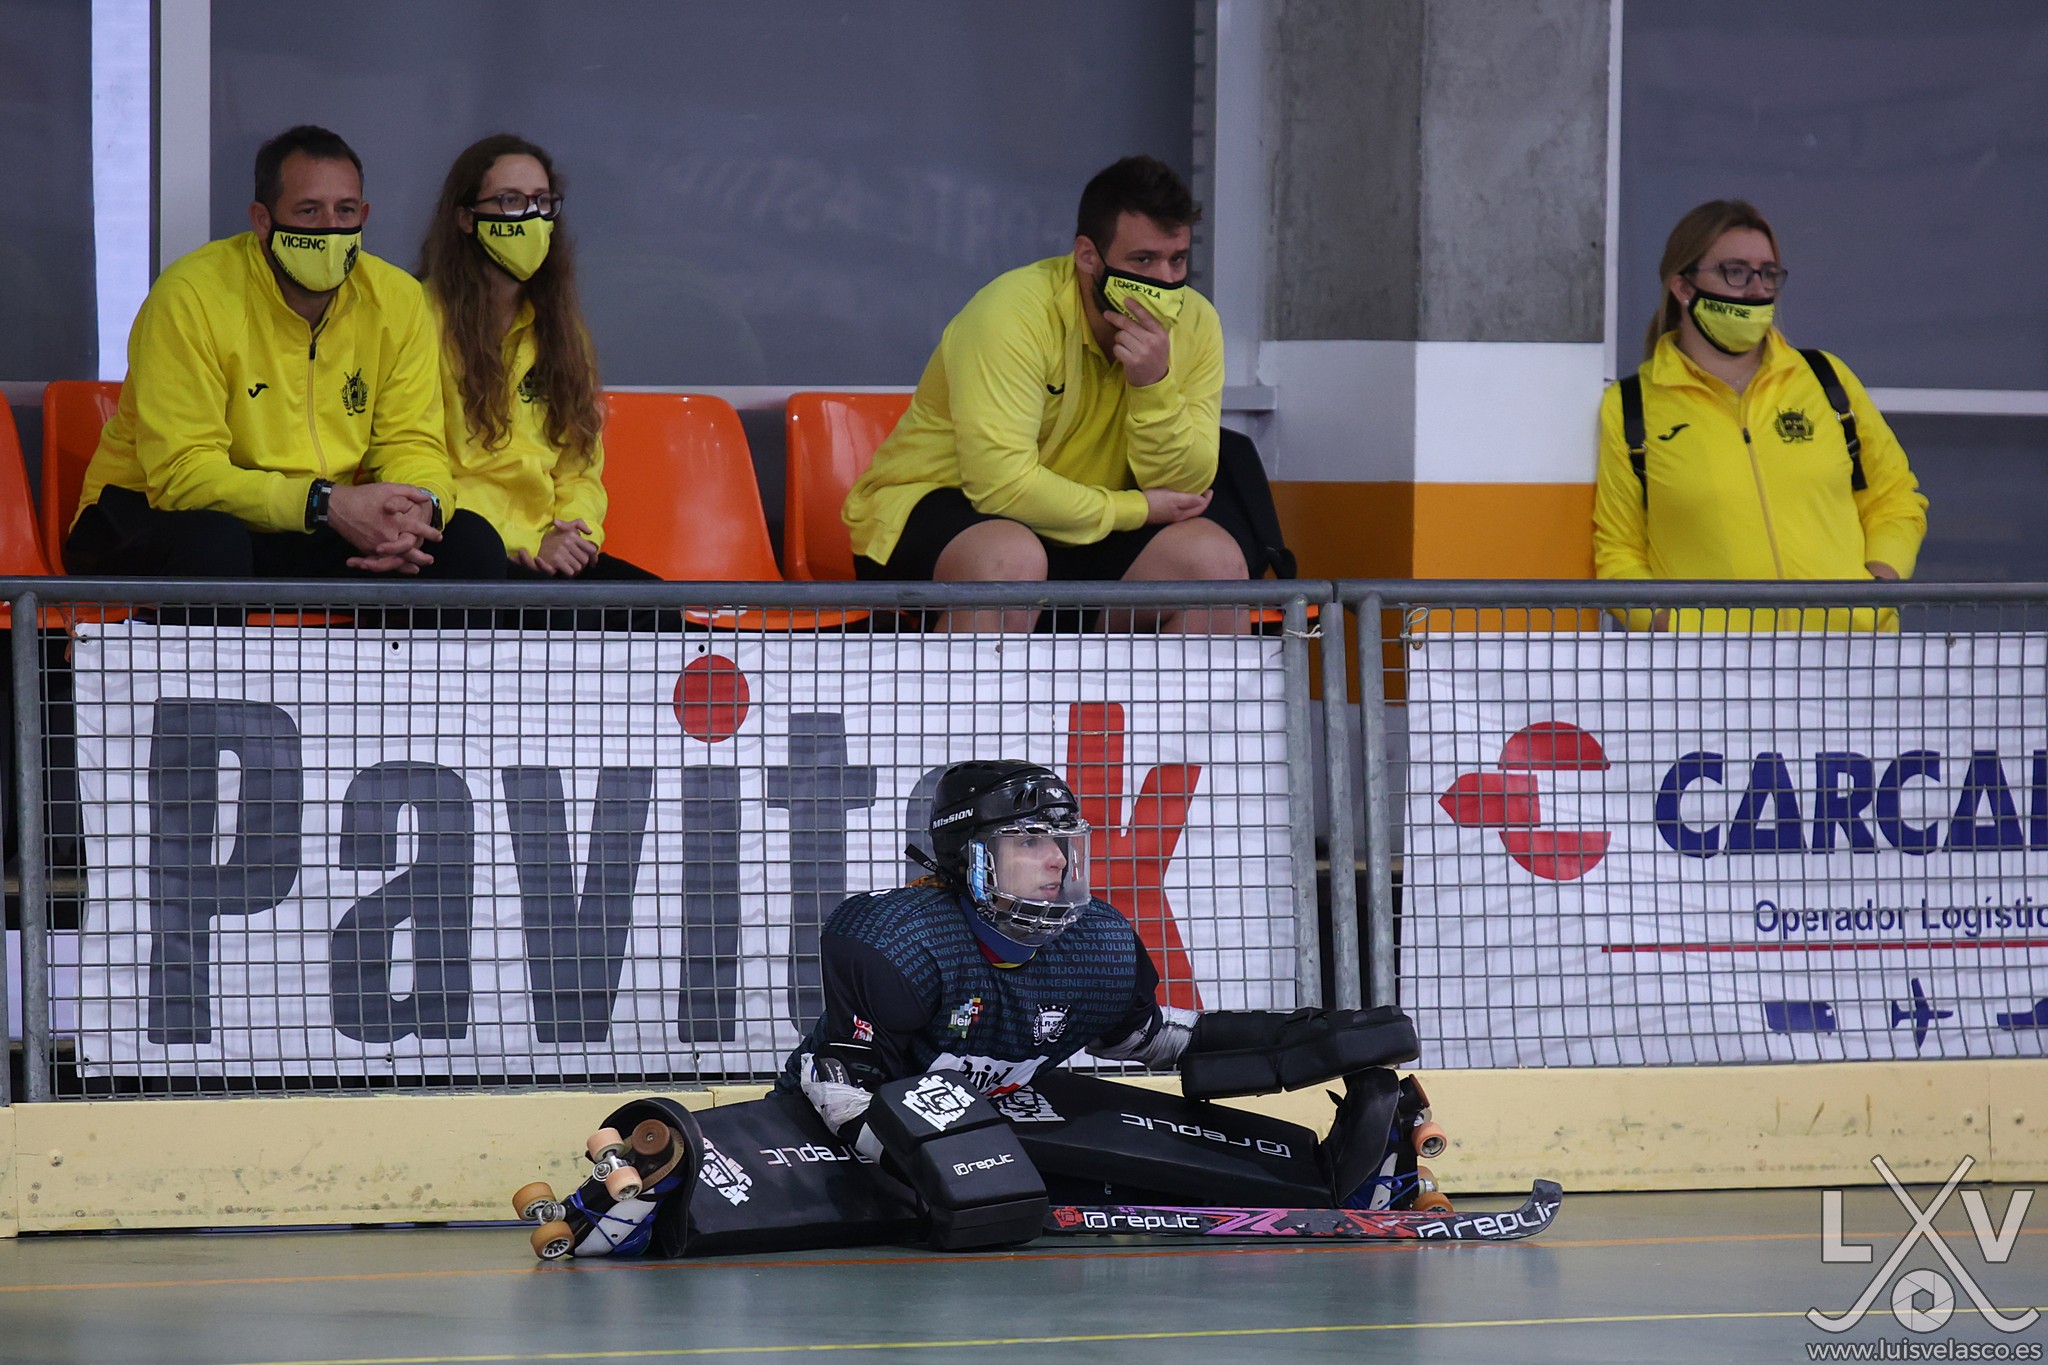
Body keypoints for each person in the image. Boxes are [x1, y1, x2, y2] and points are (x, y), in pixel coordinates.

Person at [506, 761, 1430, 1261]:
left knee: (1133, 1156)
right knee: (812, 1186)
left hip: (1015, 1112)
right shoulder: (895, 936)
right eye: (1029, 840)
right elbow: (838, 1073)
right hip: (862, 1118)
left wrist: (1296, 1041)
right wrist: (918, 1157)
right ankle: (630, 1200)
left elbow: (1153, 1040)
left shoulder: (1100, 942)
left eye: (1062, 841)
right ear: (970, 859)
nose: (1056, 860)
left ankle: (1348, 1177)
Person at [65, 125, 504, 581]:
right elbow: (182, 476)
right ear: (262, 219)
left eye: (345, 210)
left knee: (468, 546)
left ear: (364, 215)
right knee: (214, 545)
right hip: (153, 512)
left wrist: (419, 508)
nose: (330, 228)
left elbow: (411, 443)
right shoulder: (190, 296)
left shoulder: (397, 299)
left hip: (311, 517)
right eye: (309, 211)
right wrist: (323, 503)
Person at [842, 156, 1251, 632]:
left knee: (1216, 565)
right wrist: (1135, 509)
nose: (1163, 281)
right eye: (1143, 260)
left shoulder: (1196, 322)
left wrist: (1153, 385)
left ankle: (1143, 688)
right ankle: (959, 687)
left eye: (1176, 259)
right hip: (946, 510)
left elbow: (1184, 486)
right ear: (1088, 256)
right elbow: (1000, 486)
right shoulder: (1011, 314)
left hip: (1081, 526)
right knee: (1011, 561)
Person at [1592, 199, 1927, 629]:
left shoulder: (1825, 378)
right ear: (1683, 288)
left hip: (1849, 657)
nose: (1756, 289)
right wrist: (1670, 627)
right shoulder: (1631, 406)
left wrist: (1876, 591)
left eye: (1768, 273)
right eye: (1735, 271)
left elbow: (1895, 498)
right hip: (1713, 665)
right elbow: (1618, 550)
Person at [419, 134, 654, 584]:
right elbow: (418, 466)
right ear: (466, 218)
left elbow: (580, 466)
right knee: (527, 601)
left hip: (551, 549)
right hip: (465, 550)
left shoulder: (561, 328)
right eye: (510, 200)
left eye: (542, 201)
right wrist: (524, 541)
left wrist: (576, 536)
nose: (531, 217)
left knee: (656, 611)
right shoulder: (418, 317)